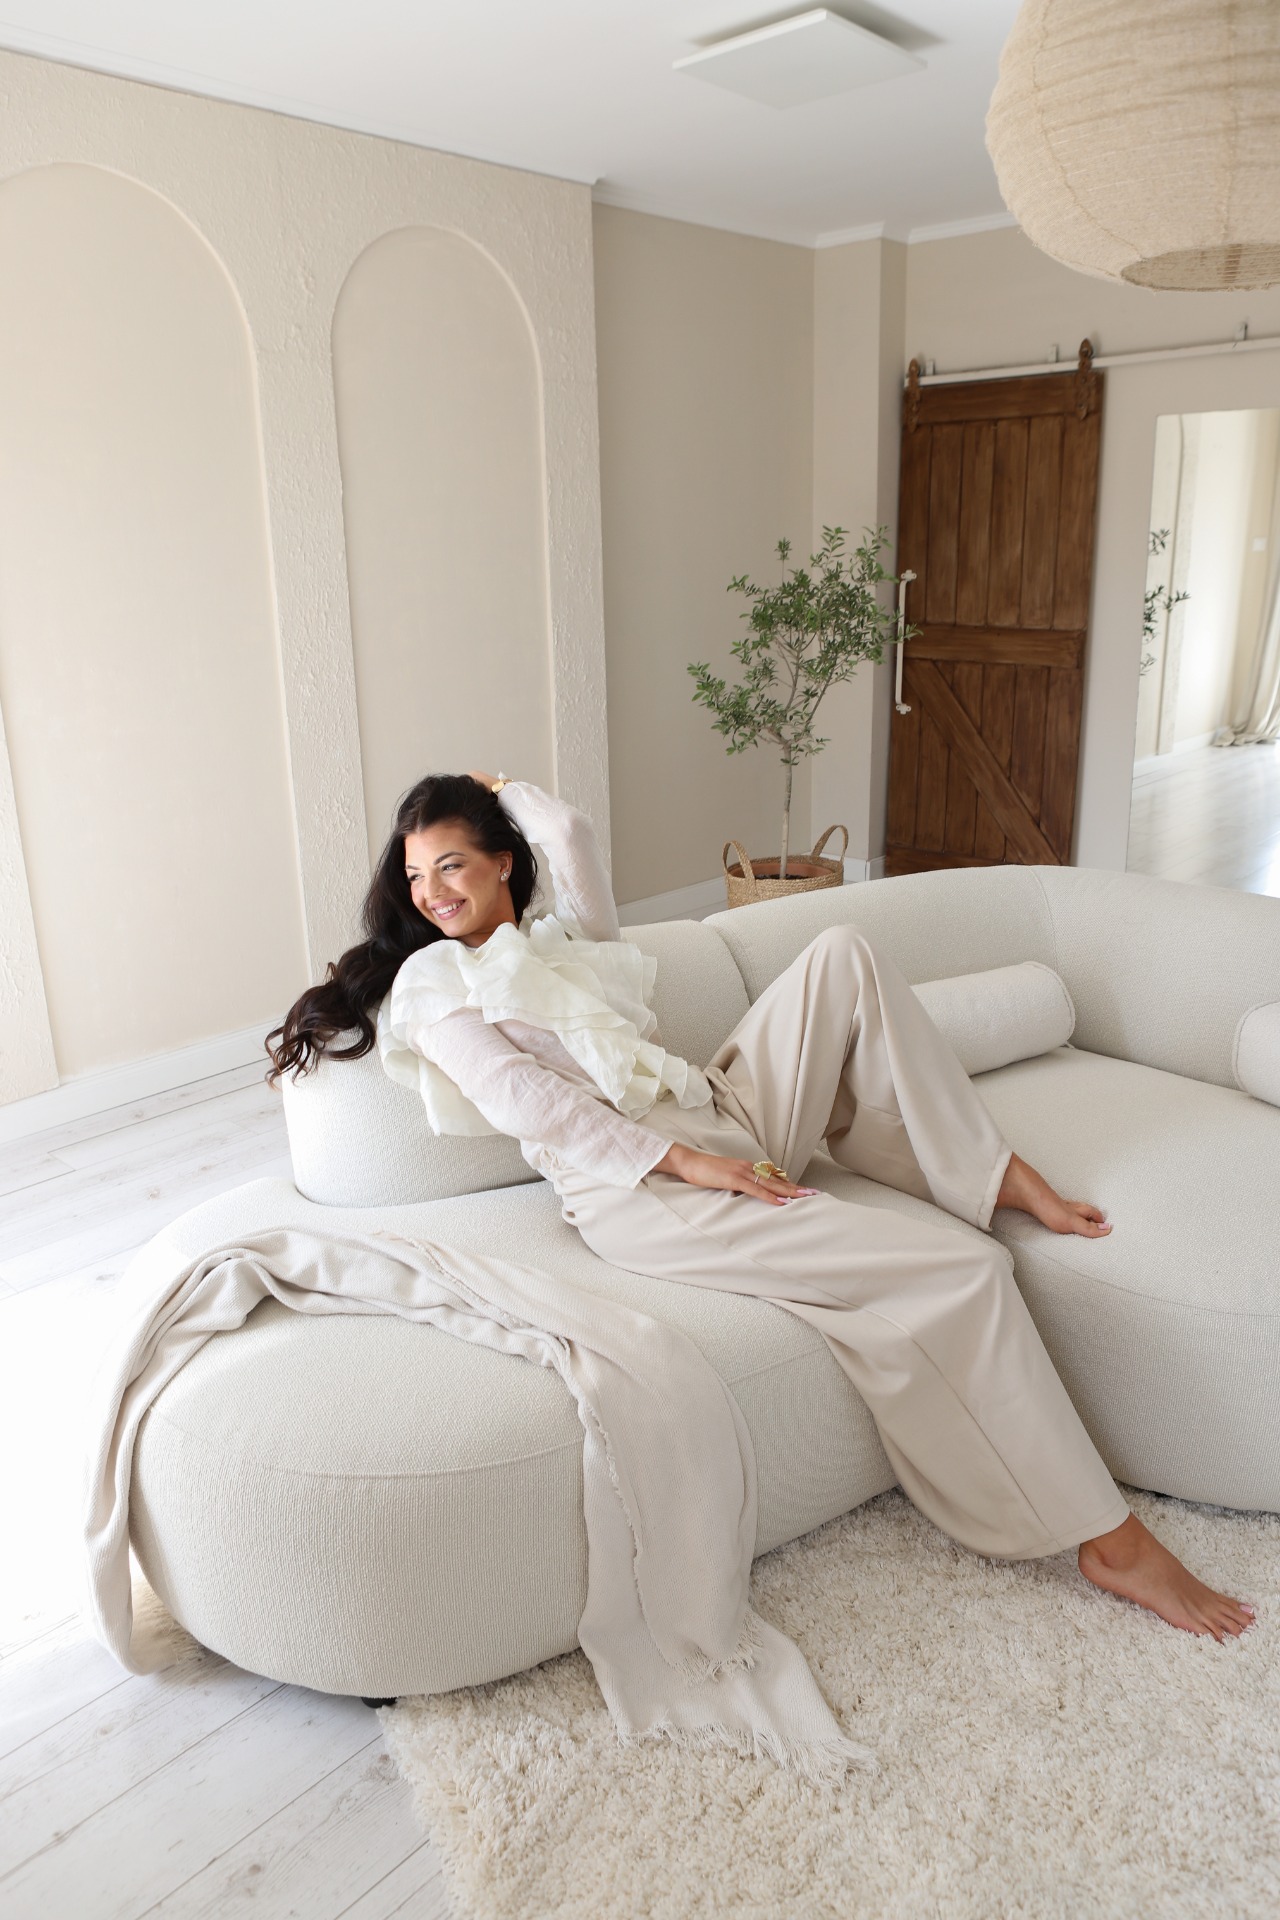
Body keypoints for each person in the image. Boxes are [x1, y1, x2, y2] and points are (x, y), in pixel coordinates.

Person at [268, 771, 1254, 1642]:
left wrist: (506, 789)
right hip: (643, 1187)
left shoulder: (559, 943)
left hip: (718, 1108)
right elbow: (527, 1101)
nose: (431, 892)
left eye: (451, 865)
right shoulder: (433, 981)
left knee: (842, 953)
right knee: (964, 1270)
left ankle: (991, 1173)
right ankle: (1107, 1539)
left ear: (501, 864)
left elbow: (570, 837)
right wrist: (691, 1164)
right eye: (415, 876)